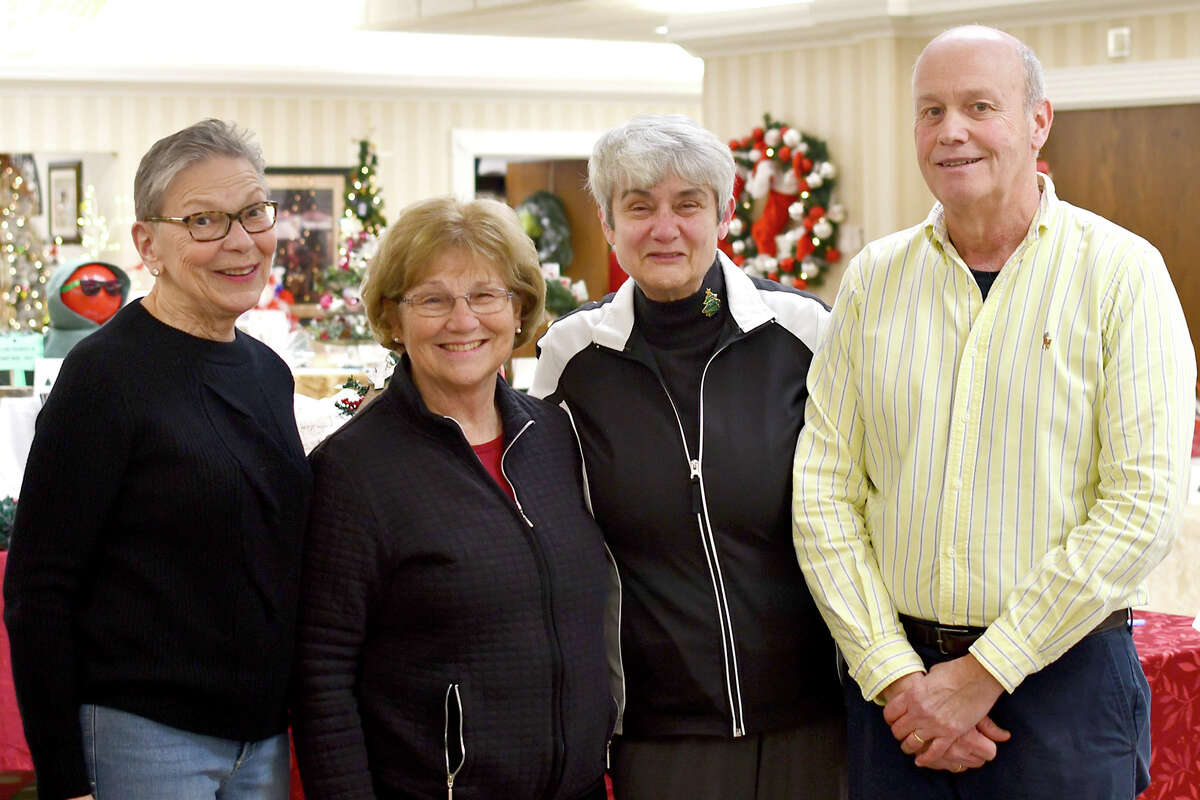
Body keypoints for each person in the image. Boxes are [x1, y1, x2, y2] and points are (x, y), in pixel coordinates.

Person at [792, 25, 1195, 800]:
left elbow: (1142, 507)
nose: (952, 131)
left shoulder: (1122, 273)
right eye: (931, 110)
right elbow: (822, 494)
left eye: (981, 106)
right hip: (894, 694)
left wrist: (984, 672)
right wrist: (895, 678)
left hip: (1065, 684)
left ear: (1039, 121)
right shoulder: (874, 279)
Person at [530, 114, 844, 799]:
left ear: (725, 214)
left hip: (816, 711)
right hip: (658, 725)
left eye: (688, 205)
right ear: (609, 224)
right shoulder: (571, 356)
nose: (663, 228)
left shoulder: (803, 331)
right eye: (638, 207)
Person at [3, 118, 311, 800]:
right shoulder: (104, 376)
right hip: (139, 738)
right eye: (204, 221)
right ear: (148, 244)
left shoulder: (267, 371)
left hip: (260, 739)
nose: (240, 241)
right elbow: (38, 589)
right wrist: (65, 780)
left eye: (254, 213)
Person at [292, 197, 612, 800]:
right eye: (433, 299)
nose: (463, 321)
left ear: (518, 310)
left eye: (486, 295)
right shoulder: (353, 470)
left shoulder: (555, 438)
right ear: (393, 320)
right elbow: (321, 676)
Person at [42, 259, 131, 358]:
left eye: (112, 287)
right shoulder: (37, 347)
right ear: (57, 293)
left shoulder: (128, 342)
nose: (102, 295)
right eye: (90, 287)